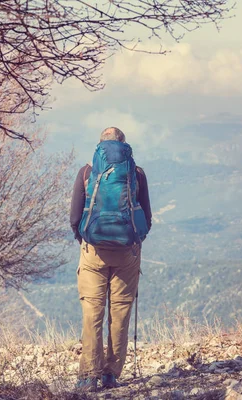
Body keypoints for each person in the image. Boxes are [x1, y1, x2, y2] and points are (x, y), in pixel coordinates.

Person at [70, 127, 152, 392]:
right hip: (127, 254)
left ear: (99, 147)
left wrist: (84, 241)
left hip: (93, 252)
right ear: (124, 146)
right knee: (120, 313)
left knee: (92, 313)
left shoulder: (86, 173)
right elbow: (146, 219)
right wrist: (134, 242)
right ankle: (111, 375)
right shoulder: (136, 173)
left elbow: (74, 217)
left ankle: (88, 377)